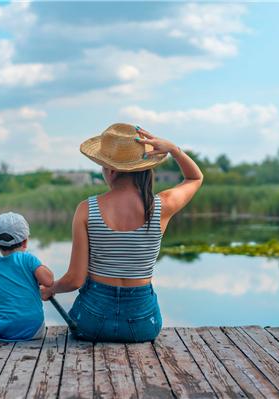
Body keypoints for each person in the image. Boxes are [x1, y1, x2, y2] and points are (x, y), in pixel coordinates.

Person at [40, 123, 203, 342]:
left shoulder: (87, 209)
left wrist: (52, 289)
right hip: (144, 325)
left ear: (112, 170)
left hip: (90, 322)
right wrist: (174, 150)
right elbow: (195, 178)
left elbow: (75, 280)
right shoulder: (162, 206)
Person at [0, 212, 54, 341]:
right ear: (25, 242)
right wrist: (38, 267)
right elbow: (49, 281)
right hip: (35, 331)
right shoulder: (29, 259)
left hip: (5, 331)